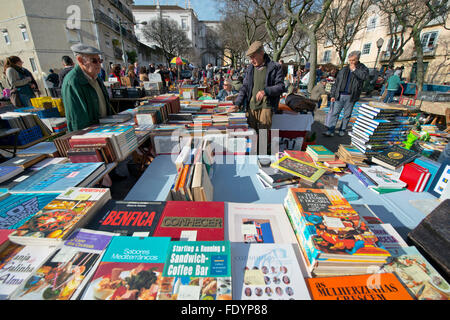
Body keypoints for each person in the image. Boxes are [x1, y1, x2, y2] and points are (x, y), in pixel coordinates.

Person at [233, 41, 285, 131]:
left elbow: (281, 86)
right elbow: (244, 87)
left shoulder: (275, 67)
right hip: (251, 106)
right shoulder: (250, 69)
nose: (251, 60)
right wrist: (237, 103)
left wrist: (266, 91)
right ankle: (256, 145)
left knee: (262, 137)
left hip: (266, 106)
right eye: (250, 58)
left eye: (253, 57)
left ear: (261, 53)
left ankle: (263, 145)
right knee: (251, 136)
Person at [61, 43, 112, 132]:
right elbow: (77, 121)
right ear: (80, 60)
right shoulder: (73, 82)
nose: (99, 64)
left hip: (104, 129)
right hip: (91, 134)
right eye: (94, 61)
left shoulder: (96, 78)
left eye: (100, 61)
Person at [324, 51, 369, 137]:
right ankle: (330, 130)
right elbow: (336, 83)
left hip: (351, 95)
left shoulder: (362, 68)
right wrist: (333, 95)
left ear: (358, 59)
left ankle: (342, 129)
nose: (351, 62)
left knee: (347, 115)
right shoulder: (344, 69)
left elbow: (365, 77)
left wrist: (354, 70)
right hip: (340, 95)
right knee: (335, 113)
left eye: (353, 60)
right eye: (350, 60)